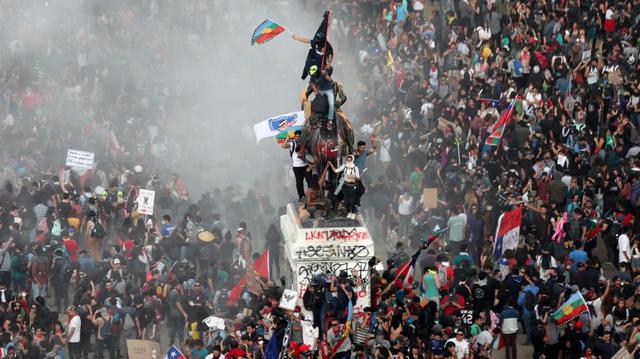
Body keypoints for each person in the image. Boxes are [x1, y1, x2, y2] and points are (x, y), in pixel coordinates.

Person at [282, 130, 312, 202]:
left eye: (299, 136)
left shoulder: (304, 143)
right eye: (297, 136)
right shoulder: (292, 143)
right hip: (297, 166)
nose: (298, 137)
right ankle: (301, 196)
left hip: (305, 165)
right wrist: (287, 139)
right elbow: (283, 146)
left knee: (310, 181)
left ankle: (311, 194)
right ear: (295, 136)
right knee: (299, 182)